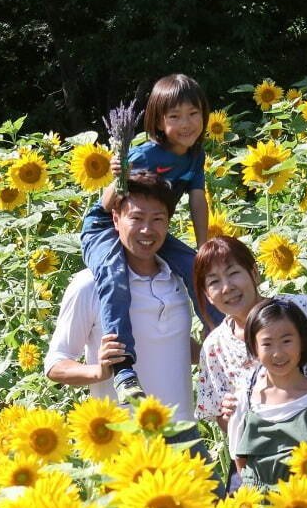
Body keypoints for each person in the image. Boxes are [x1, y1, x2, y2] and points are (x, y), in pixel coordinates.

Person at [81, 73, 211, 399]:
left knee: (197, 266)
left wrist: (205, 246)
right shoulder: (144, 155)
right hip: (107, 226)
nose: (187, 123)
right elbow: (107, 204)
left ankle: (225, 336)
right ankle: (124, 367)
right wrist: (118, 178)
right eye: (175, 116)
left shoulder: (195, 156)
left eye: (193, 113)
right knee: (112, 275)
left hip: (149, 228)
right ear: (158, 120)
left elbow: (197, 199)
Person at [46, 171, 195, 424]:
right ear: (116, 219)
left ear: (168, 222)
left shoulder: (178, 278)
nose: (147, 229)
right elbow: (55, 365)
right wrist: (99, 371)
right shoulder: (90, 284)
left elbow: (174, 345)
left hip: (183, 431)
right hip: (122, 440)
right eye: (136, 218)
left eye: (158, 219)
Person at [193, 235, 307, 431]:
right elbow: (221, 418)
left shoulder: (303, 310)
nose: (227, 288)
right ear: (207, 295)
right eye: (214, 282)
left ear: (254, 273)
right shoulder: (215, 347)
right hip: (263, 456)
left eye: (233, 273)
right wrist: (229, 414)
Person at [228, 298, 307, 487]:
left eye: (286, 341)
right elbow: (241, 464)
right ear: (254, 348)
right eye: (267, 344)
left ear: (303, 341)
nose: (278, 353)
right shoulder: (242, 401)